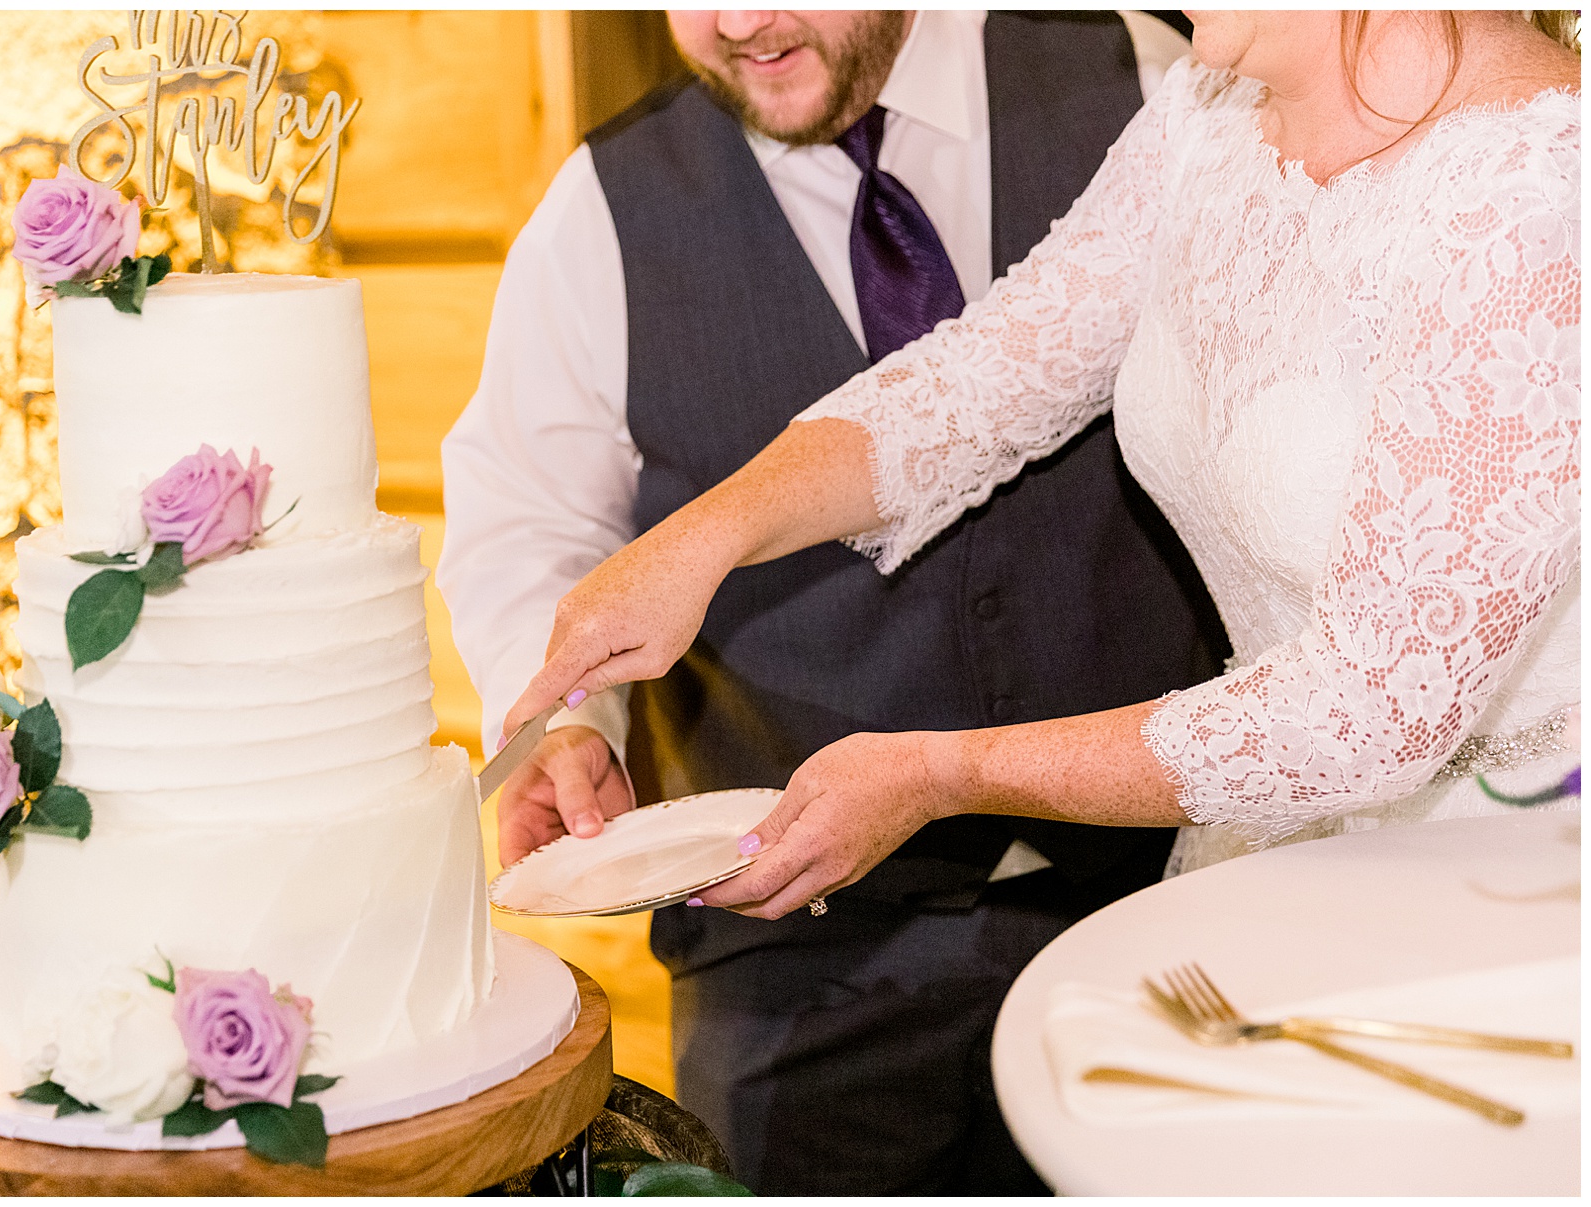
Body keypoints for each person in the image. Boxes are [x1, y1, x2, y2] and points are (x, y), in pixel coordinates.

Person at [507, 9, 1580, 924]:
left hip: (1504, 881)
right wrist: (702, 538)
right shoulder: (1208, 106)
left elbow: (1368, 713)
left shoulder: (1537, 189)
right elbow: (984, 375)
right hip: (1275, 855)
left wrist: (946, 772)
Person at [440, 10, 1222, 1194]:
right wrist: (570, 723)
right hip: (796, 957)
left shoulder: (1143, 76)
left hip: (1157, 914)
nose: (737, 22)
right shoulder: (599, 211)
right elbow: (532, 521)